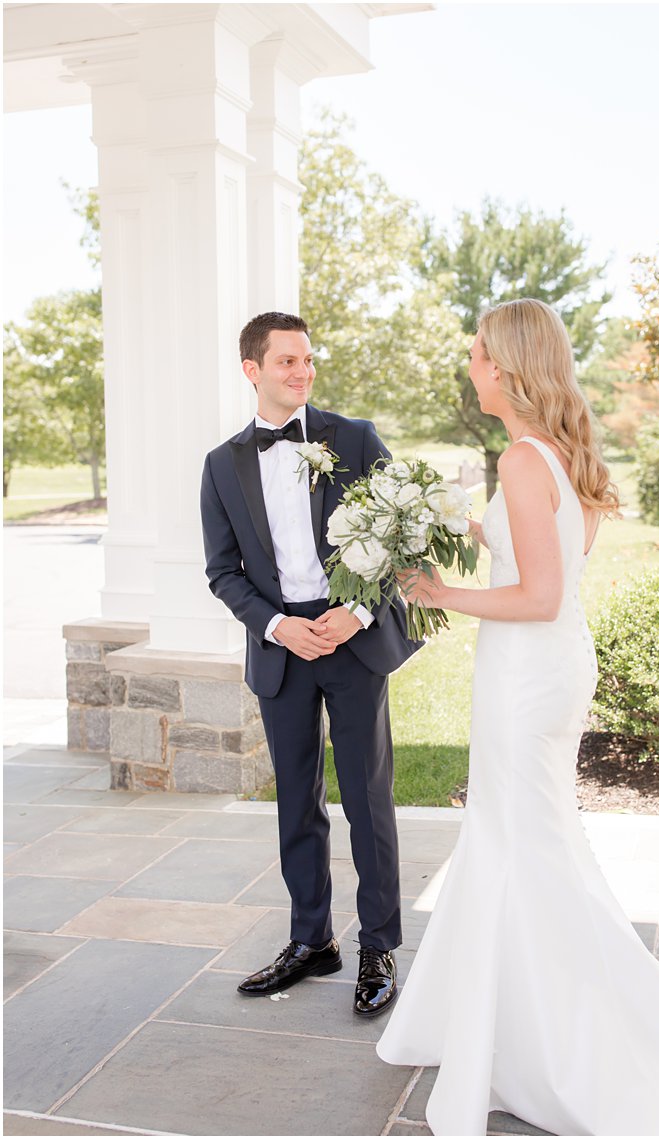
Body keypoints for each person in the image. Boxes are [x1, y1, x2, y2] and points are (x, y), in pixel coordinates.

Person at [374, 298, 659, 1136]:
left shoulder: (521, 456)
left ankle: (564, 1038)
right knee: (520, 838)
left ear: (505, 367)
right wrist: (463, 526)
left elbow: (538, 594)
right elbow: (535, 551)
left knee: (526, 847)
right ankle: (499, 1020)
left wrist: (442, 592)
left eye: (476, 353)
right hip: (550, 669)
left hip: (526, 674)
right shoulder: (556, 453)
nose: (469, 365)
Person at [200, 312, 421, 1017]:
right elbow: (222, 571)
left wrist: (354, 612)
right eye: (287, 361)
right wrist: (276, 626)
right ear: (252, 370)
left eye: (308, 360)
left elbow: (399, 536)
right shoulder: (221, 464)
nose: (302, 371)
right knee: (297, 803)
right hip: (282, 654)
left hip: (352, 642)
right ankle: (311, 939)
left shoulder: (354, 439)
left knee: (366, 801)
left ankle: (379, 946)